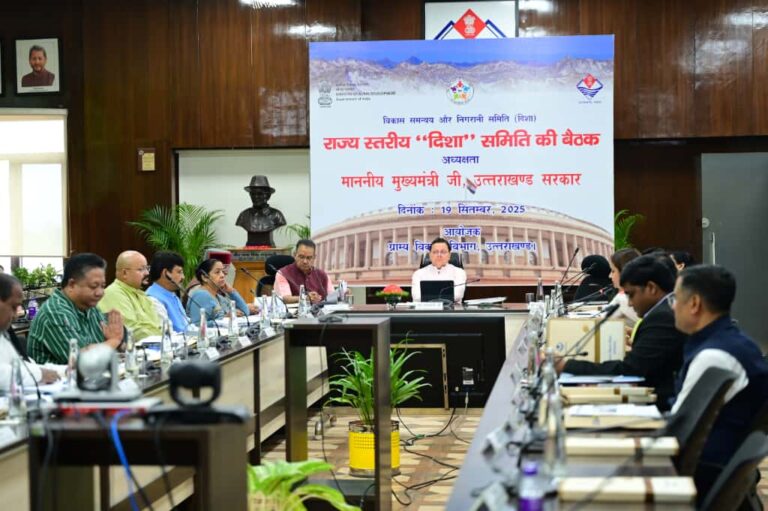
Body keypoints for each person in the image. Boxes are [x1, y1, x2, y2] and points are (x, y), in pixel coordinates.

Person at [556, 255, 686, 410]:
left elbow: (630, 368)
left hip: (657, 405)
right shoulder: (664, 310)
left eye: (631, 294)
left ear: (651, 288)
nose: (629, 303)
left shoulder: (662, 317)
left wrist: (567, 365)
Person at [670, 265, 768, 468]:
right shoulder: (737, 341)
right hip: (712, 461)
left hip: (700, 467)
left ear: (694, 303)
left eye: (676, 299)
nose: (672, 307)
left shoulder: (714, 357)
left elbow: (679, 427)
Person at [27, 253, 125, 365]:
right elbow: (80, 360)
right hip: (58, 376)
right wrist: (114, 341)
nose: (100, 293)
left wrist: (120, 345)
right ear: (72, 284)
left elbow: (106, 346)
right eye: (93, 286)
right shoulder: (55, 312)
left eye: (102, 286)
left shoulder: (90, 307)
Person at [0, 274, 63, 389]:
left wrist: (62, 370)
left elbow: (23, 365)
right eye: (13, 307)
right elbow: (3, 375)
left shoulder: (3, 334)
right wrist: (40, 374)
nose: (15, 315)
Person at [97, 251, 161, 340]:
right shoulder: (113, 293)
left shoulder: (141, 295)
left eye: (147, 268)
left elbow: (158, 325)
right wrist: (161, 336)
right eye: (141, 269)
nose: (147, 273)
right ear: (125, 273)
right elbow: (130, 329)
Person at [187, 259, 252, 322]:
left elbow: (245, 312)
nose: (222, 275)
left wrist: (231, 291)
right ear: (204, 277)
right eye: (217, 272)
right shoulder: (201, 296)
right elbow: (197, 324)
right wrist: (224, 319)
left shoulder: (219, 298)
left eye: (223, 272)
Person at [275, 239, 334, 304]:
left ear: (314, 257)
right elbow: (285, 298)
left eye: (309, 258)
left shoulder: (322, 275)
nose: (305, 261)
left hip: (321, 309)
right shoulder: (283, 274)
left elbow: (332, 296)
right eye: (301, 257)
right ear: (295, 255)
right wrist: (306, 298)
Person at [411, 238, 468, 303]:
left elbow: (457, 296)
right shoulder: (418, 274)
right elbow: (416, 297)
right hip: (426, 309)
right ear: (430, 255)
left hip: (451, 308)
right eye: (435, 252)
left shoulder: (459, 272)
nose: (439, 255)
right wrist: (443, 296)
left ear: (449, 255)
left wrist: (429, 295)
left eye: (443, 252)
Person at [235, 175, 287, 247]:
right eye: (253, 194)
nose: (256, 197)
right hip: (250, 249)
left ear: (268, 196)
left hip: (269, 249)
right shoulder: (243, 215)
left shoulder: (277, 215)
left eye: (260, 194)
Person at [145, 251, 189, 333]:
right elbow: (167, 333)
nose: (183, 277)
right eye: (179, 272)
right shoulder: (153, 299)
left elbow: (186, 325)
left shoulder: (172, 295)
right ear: (166, 273)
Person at [606, 248, 642, 327]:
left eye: (613, 271)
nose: (610, 276)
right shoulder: (641, 294)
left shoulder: (623, 299)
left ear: (624, 271)